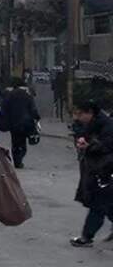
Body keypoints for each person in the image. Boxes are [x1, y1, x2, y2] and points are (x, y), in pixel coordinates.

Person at [71, 100, 113, 247]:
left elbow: (107, 146)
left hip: (105, 170)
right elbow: (82, 134)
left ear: (89, 113)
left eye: (80, 114)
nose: (78, 117)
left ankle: (86, 237)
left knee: (98, 205)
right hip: (97, 170)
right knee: (107, 203)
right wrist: (81, 139)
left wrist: (89, 146)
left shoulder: (107, 125)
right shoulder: (93, 123)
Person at [0, 76, 40, 169]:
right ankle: (20, 157)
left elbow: (4, 108)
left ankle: (17, 159)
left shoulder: (10, 95)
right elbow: (32, 108)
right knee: (22, 141)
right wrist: (36, 117)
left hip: (13, 123)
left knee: (15, 141)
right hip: (25, 122)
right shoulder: (27, 95)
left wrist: (4, 120)